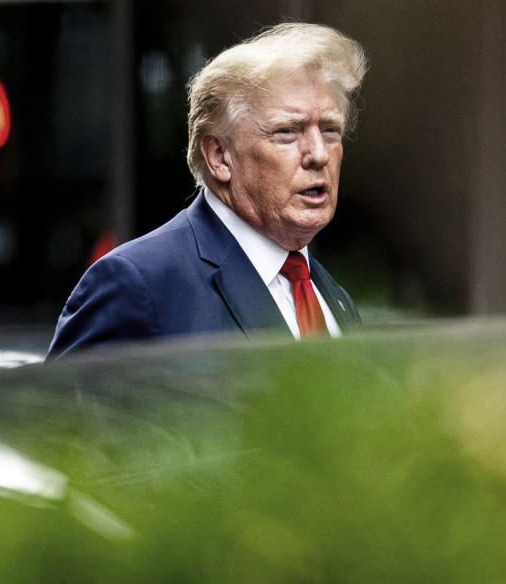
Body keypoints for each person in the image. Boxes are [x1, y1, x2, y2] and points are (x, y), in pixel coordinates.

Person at [47, 23, 368, 359]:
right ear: (219, 157)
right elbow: (56, 410)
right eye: (287, 132)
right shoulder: (138, 284)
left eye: (330, 130)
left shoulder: (333, 296)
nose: (318, 153)